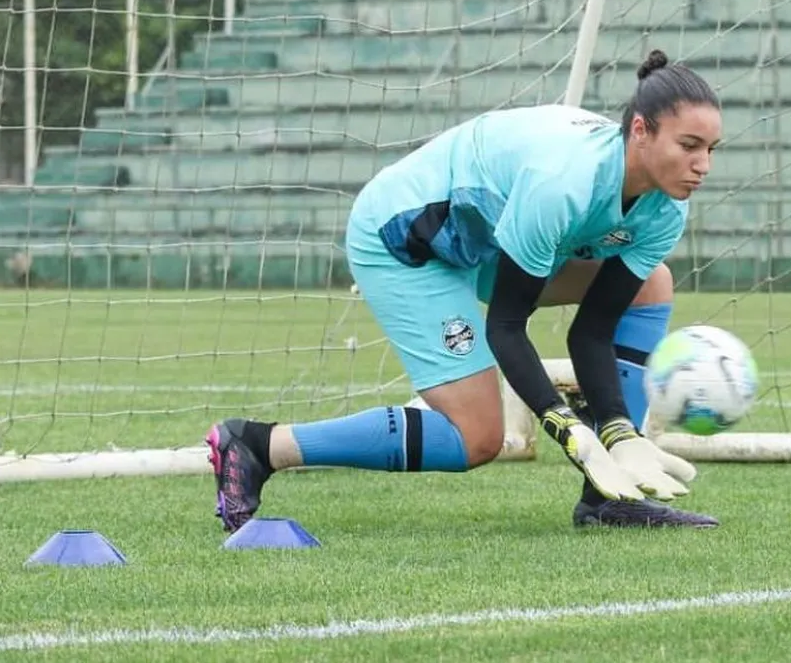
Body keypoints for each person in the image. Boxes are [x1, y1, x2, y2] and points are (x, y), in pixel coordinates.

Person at [205, 49, 723, 532]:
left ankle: (608, 496)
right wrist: (566, 426)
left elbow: (593, 331)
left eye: (711, 149)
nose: (704, 166)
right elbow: (506, 324)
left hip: (485, 241)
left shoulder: (666, 210)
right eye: (689, 146)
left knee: (650, 285)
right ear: (640, 131)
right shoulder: (562, 183)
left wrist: (616, 431)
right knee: (477, 437)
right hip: (408, 238)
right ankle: (258, 444)